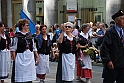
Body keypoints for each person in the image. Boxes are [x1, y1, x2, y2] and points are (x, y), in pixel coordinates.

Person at [10, 18, 39, 83]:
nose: (28, 26)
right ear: (22, 26)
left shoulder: (30, 36)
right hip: (21, 57)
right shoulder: (17, 36)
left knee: (29, 76)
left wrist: (37, 57)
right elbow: (13, 49)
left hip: (29, 57)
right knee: (21, 75)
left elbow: (34, 47)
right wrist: (15, 60)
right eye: (27, 25)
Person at [100, 10, 124, 83]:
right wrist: (108, 60)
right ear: (117, 20)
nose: (123, 21)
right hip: (113, 63)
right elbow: (104, 48)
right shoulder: (110, 32)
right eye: (122, 19)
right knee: (109, 80)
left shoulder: (123, 31)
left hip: (122, 63)